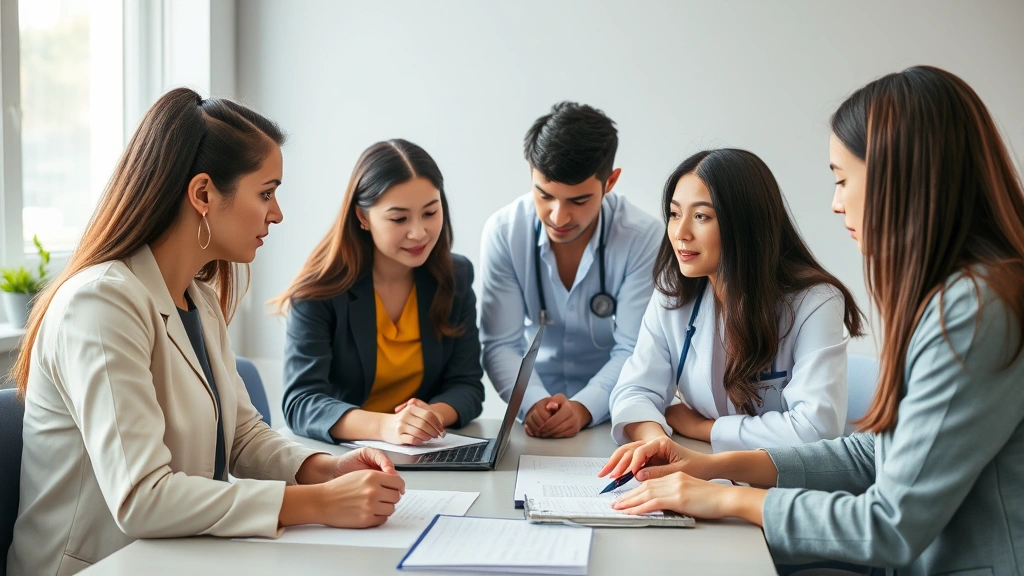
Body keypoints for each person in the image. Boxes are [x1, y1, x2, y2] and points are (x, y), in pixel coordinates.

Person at [599, 66, 1024, 575]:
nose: (836, 201)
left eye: (843, 179)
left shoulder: (974, 311)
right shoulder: (955, 296)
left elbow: (888, 525)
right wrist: (713, 467)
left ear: (902, 177)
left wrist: (726, 497)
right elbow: (876, 454)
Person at [7, 89, 406, 576]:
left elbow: (242, 436)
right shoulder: (99, 303)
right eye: (266, 192)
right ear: (202, 194)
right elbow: (143, 498)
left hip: (179, 558)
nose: (276, 214)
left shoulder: (196, 299)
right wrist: (318, 504)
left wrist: (324, 469)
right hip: (97, 567)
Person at [609, 148, 863, 452]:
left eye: (701, 216)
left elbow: (815, 431)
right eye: (675, 214)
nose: (680, 232)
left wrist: (707, 429)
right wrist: (658, 442)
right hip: (704, 471)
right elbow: (633, 392)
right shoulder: (673, 294)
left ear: (744, 223)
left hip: (780, 485)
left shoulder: (815, 302)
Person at [277, 139, 484, 446]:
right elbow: (301, 403)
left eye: (430, 212)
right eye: (399, 218)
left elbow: (467, 386)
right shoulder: (318, 291)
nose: (419, 232)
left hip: (424, 450)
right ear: (363, 217)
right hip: (343, 460)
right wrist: (386, 427)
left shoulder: (455, 276)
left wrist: (429, 418)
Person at [480, 101, 662, 438]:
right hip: (533, 419)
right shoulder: (504, 232)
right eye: (544, 195)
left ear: (610, 182)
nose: (558, 217)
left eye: (578, 201)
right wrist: (533, 403)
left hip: (614, 415)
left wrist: (583, 408)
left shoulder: (643, 238)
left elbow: (635, 351)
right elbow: (501, 344)